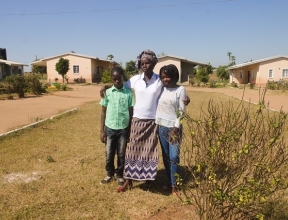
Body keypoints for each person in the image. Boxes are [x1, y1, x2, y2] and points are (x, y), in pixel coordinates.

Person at [113, 49, 190, 192]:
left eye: (147, 63)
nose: (144, 65)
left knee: (149, 151)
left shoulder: (159, 80)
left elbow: (172, 89)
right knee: (133, 150)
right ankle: (128, 181)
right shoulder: (135, 79)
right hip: (137, 120)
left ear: (153, 64)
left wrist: (186, 99)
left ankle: (148, 180)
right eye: (142, 63)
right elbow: (120, 86)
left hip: (152, 122)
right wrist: (106, 88)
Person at [99, 67, 134, 186]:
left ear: (122, 77)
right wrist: (101, 131)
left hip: (123, 128)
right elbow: (103, 112)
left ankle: (119, 175)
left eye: (119, 78)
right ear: (112, 79)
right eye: (114, 79)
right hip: (110, 128)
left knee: (121, 154)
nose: (117, 81)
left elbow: (131, 112)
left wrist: (129, 130)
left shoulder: (128, 93)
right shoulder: (107, 93)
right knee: (109, 153)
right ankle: (109, 174)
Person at [155, 64, 186, 195]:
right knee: (166, 157)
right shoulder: (161, 88)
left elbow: (182, 111)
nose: (165, 79)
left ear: (174, 76)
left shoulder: (180, 90)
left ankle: (175, 185)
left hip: (174, 128)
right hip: (161, 127)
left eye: (167, 76)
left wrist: (176, 128)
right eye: (163, 77)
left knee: (174, 157)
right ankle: (170, 182)